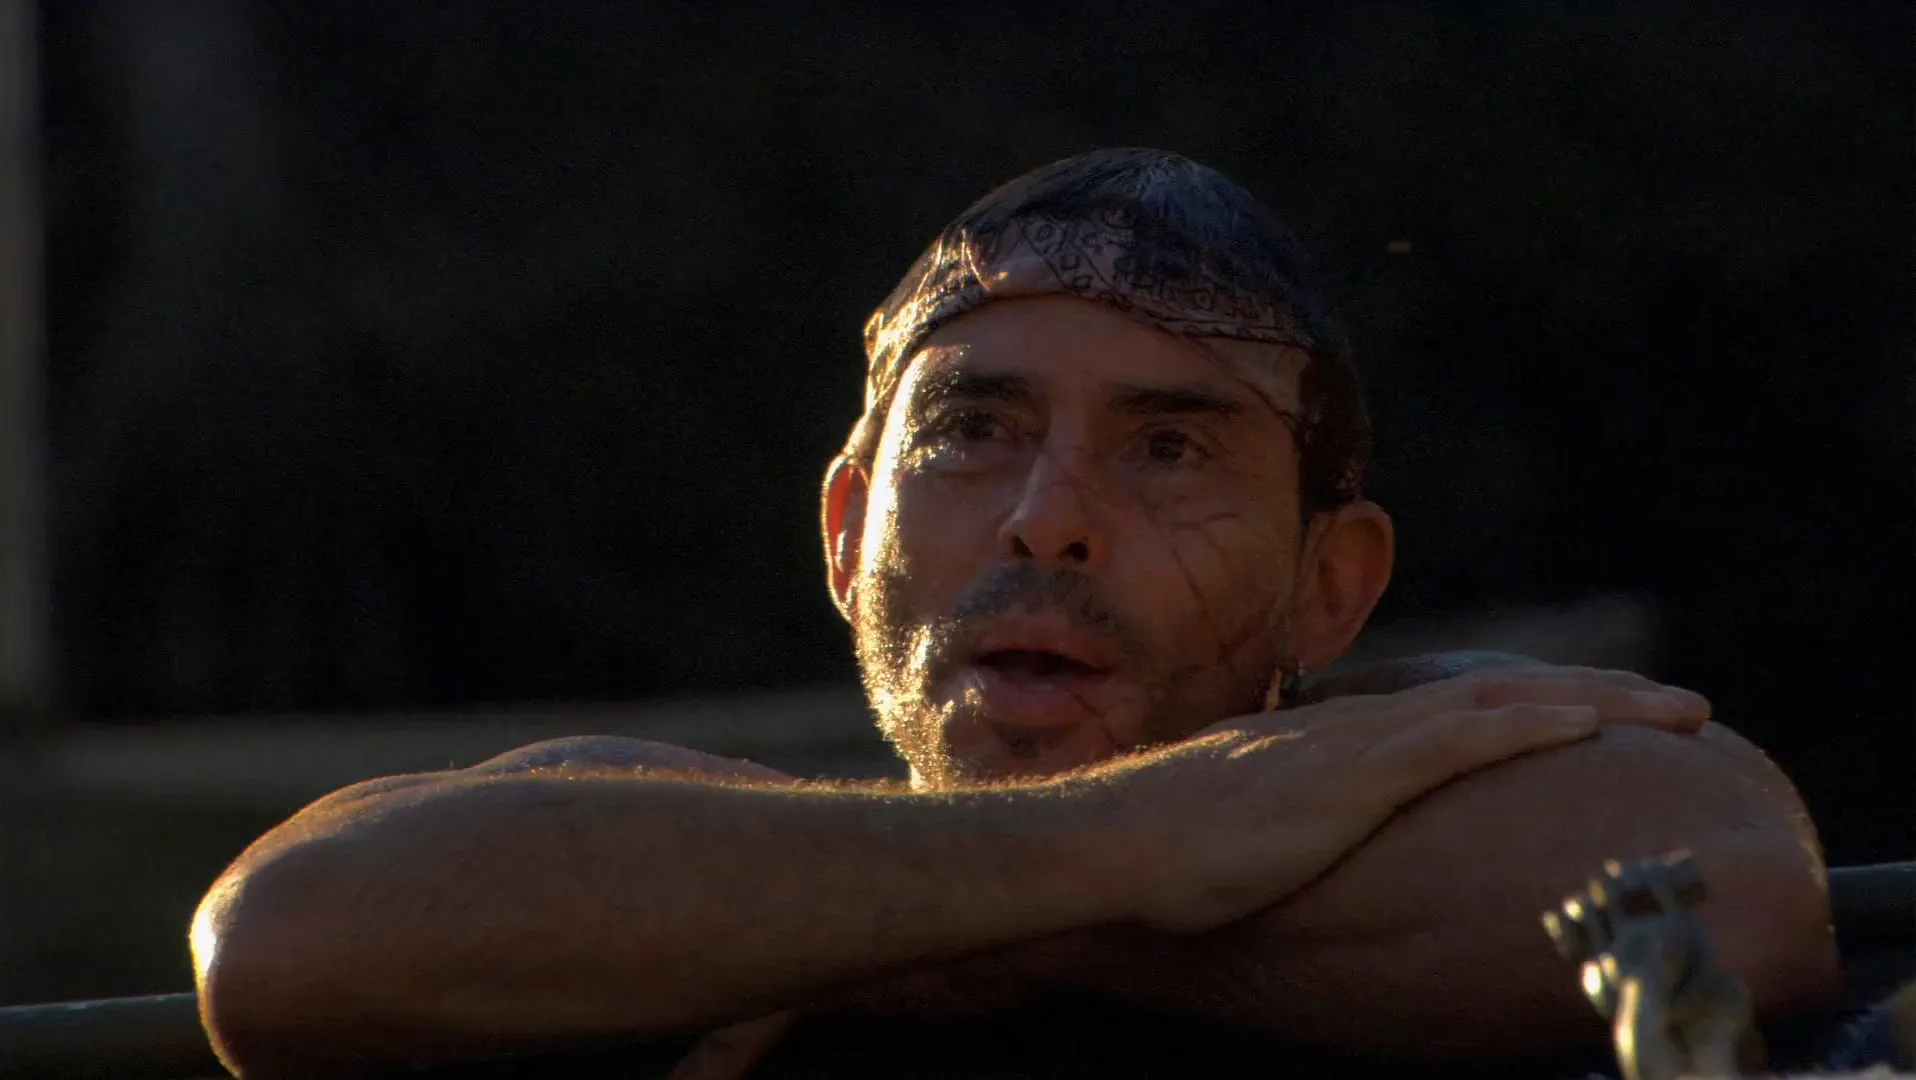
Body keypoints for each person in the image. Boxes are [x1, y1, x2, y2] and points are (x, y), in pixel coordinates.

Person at [190, 149, 1840, 1079]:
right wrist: (1132, 854)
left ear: (1330, 585)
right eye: (974, 431)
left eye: (1170, 448)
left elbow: (1730, 892)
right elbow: (289, 941)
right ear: (849, 532)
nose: (1050, 518)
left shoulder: (1412, 785)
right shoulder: (674, 847)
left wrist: (864, 921)